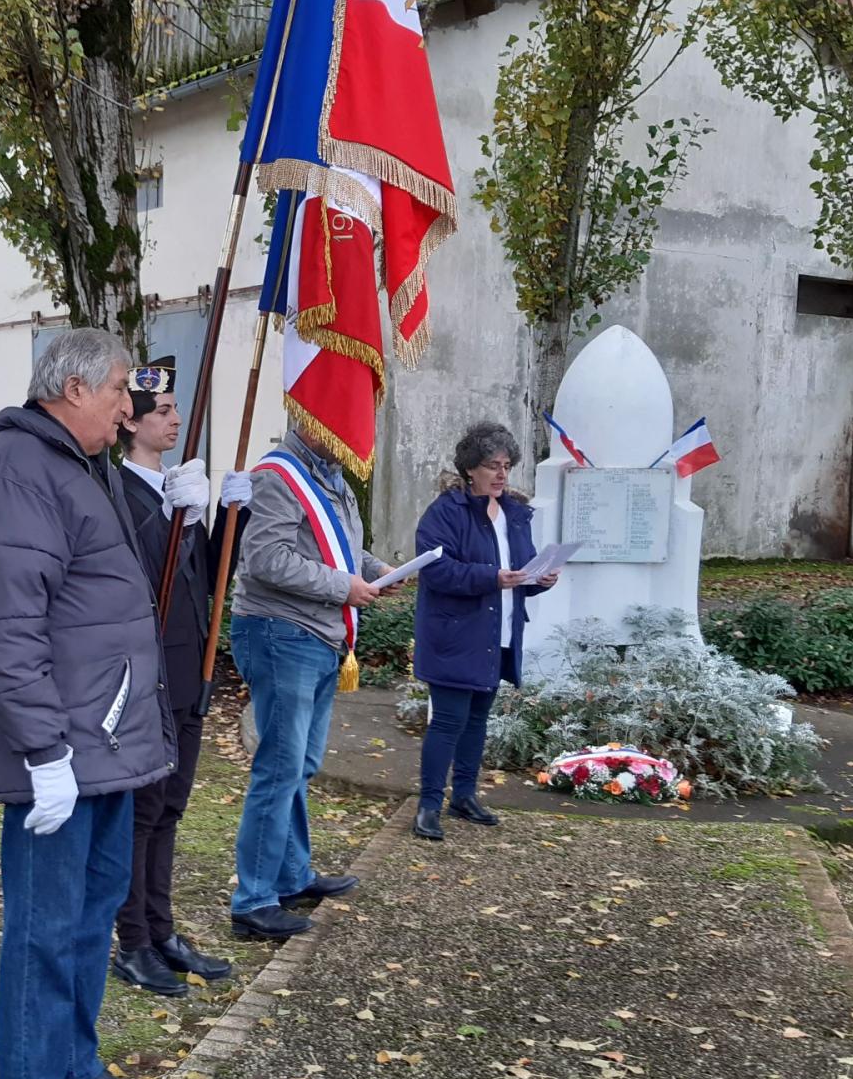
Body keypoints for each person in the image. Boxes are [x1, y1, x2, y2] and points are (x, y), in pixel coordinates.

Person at [0, 327, 182, 1079]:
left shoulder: (76, 470)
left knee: (89, 919)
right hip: (65, 752)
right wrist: (43, 751)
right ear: (74, 387)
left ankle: (74, 1067)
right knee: (45, 930)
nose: (131, 408)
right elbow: (1, 629)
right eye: (122, 390)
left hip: (106, 745)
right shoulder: (15, 473)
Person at [110, 358, 243, 998]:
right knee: (140, 814)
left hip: (188, 673)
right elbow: (135, 575)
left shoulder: (177, 487)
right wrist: (173, 518)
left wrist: (229, 518)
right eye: (160, 411)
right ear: (127, 420)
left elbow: (208, 574)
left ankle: (161, 928)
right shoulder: (114, 490)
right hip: (145, 679)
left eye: (174, 410)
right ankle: (131, 939)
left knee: (171, 808)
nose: (174, 419)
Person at [228, 424, 392, 941]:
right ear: (315, 418)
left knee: (300, 764)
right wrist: (346, 586)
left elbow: (337, 550)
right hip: (281, 633)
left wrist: (378, 569)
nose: (355, 432)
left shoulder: (333, 477)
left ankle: (291, 875)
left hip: (317, 636)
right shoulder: (277, 476)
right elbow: (265, 559)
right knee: (279, 768)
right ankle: (253, 900)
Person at [410, 420, 559, 842]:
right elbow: (436, 570)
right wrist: (493, 577)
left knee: (478, 720)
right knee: (448, 721)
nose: (501, 474)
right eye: (493, 465)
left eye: (506, 465)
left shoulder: (513, 513)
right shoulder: (445, 512)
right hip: (457, 635)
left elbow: (523, 568)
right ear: (470, 469)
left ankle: (465, 794)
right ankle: (427, 805)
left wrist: (540, 579)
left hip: (499, 633)